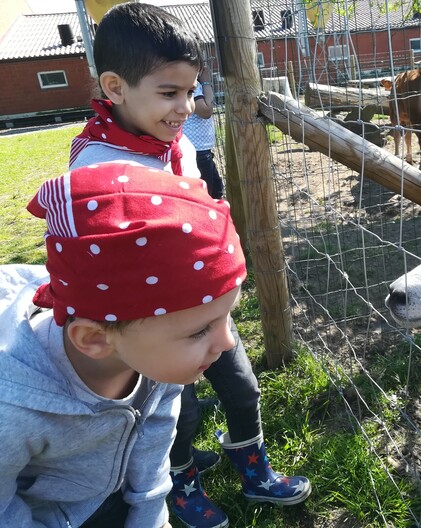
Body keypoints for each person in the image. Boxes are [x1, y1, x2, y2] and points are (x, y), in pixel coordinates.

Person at [68, 4, 311, 528]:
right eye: (169, 93)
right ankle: (179, 484)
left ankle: (252, 466)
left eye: (191, 91)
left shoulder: (170, 142)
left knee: (242, 386)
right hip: (153, 320)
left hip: (203, 308)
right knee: (175, 410)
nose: (186, 107)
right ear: (114, 87)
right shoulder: (96, 164)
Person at [0, 161, 247, 528]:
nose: (227, 343)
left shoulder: (154, 358)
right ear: (94, 340)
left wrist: (150, 517)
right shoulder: (13, 412)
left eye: (227, 317)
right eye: (200, 331)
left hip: (102, 497)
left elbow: (155, 434)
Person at [182, 62, 224, 199]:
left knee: (217, 190)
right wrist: (206, 83)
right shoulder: (194, 87)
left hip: (201, 149)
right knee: (207, 194)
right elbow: (206, 111)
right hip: (197, 150)